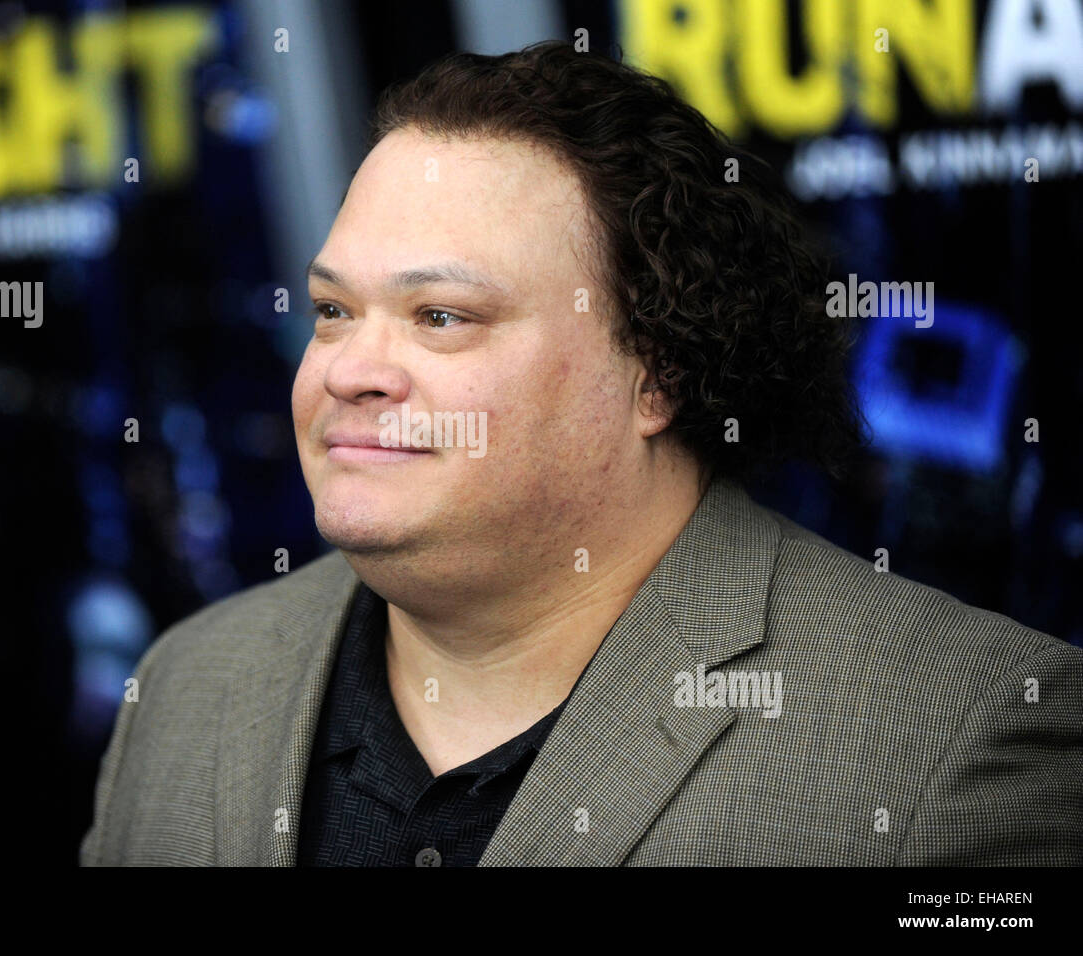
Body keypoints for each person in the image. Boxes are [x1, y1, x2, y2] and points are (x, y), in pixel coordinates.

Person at [81, 41, 1082, 866]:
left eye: (440, 316)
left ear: (653, 374)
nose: (348, 370)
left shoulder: (957, 735)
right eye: (335, 312)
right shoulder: (187, 686)